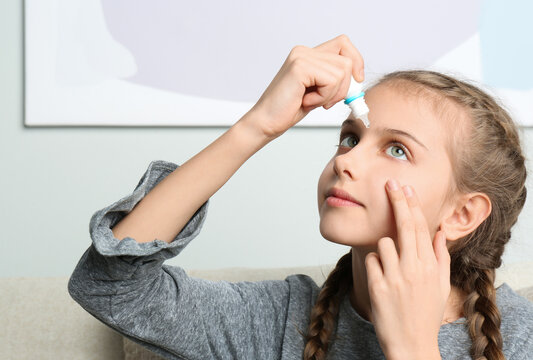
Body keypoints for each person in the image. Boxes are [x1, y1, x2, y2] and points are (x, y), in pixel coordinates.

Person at [68, 35, 533, 359]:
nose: (345, 162)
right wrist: (257, 126)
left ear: (463, 213)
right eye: (351, 138)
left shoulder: (522, 335)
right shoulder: (281, 321)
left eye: (397, 149)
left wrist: (413, 351)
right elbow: (112, 288)